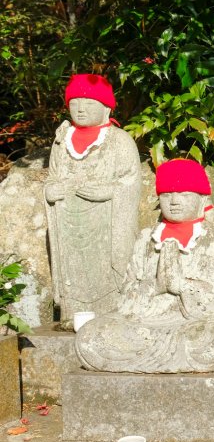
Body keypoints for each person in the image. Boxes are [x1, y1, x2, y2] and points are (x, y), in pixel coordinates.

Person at [75, 159, 214, 373]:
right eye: (167, 195)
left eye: (184, 195)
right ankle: (168, 360)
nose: (175, 201)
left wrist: (182, 286)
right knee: (90, 336)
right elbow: (127, 294)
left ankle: (147, 360)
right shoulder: (146, 238)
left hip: (197, 326)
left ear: (202, 199)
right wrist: (154, 287)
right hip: (145, 324)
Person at [44, 74, 141, 323]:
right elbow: (52, 178)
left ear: (106, 107)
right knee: (73, 273)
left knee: (107, 274)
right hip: (68, 227)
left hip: (106, 225)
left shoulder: (119, 141)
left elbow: (130, 182)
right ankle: (71, 314)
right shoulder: (60, 141)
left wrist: (108, 192)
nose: (80, 108)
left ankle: (113, 313)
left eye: (88, 102)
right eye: (74, 102)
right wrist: (50, 192)